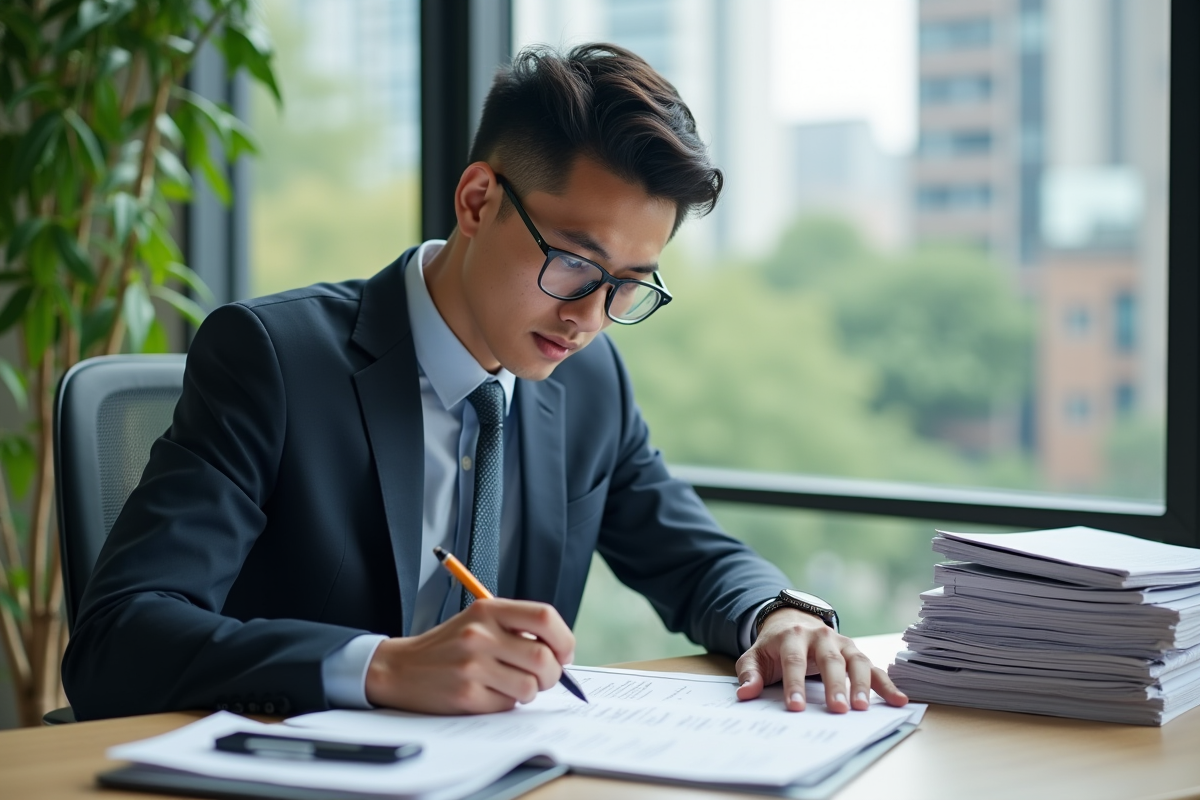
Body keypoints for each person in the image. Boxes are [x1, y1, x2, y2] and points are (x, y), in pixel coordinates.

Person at [63, 43, 907, 721]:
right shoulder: (273, 361)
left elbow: (690, 557)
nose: (593, 316)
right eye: (576, 262)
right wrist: (382, 667)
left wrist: (778, 616)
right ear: (476, 201)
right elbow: (117, 641)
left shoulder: (589, 384)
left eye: (630, 283)